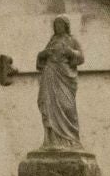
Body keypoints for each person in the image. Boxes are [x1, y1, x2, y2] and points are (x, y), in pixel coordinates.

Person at [35, 17, 84, 150]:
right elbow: (41, 58)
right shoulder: (52, 40)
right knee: (48, 104)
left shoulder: (71, 40)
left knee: (67, 106)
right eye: (56, 24)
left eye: (61, 24)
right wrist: (43, 53)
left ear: (66, 26)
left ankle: (70, 139)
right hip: (50, 74)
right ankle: (51, 141)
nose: (58, 27)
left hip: (65, 75)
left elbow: (81, 57)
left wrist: (71, 52)